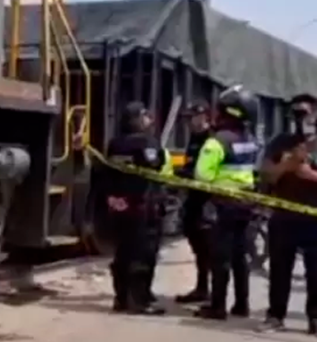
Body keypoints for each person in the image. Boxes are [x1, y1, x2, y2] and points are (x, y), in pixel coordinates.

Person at [257, 93, 317, 338]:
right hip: (284, 216)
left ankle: (316, 318)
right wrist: (287, 165)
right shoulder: (280, 142)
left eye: (304, 112)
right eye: (294, 113)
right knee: (279, 270)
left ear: (316, 114)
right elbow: (266, 175)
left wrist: (311, 175)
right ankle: (275, 315)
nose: (299, 118)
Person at [95, 102, 170, 315]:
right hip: (143, 206)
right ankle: (140, 301)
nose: (149, 119)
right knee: (144, 254)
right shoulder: (147, 142)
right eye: (145, 115)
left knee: (123, 252)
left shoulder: (115, 143)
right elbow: (155, 164)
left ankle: (121, 299)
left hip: (121, 205)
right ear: (136, 119)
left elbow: (108, 173)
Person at [193, 86, 260, 321]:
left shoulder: (217, 142)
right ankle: (242, 304)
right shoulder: (250, 140)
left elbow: (202, 176)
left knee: (220, 257)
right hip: (246, 204)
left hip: (223, 206)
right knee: (240, 256)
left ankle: (217, 306)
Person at [175, 100, 214, 304]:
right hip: (194, 197)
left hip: (208, 201)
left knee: (209, 246)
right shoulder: (195, 137)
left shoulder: (211, 139)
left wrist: (188, 174)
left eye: (192, 118)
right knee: (198, 245)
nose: (189, 122)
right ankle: (201, 288)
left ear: (204, 117)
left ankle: (212, 293)